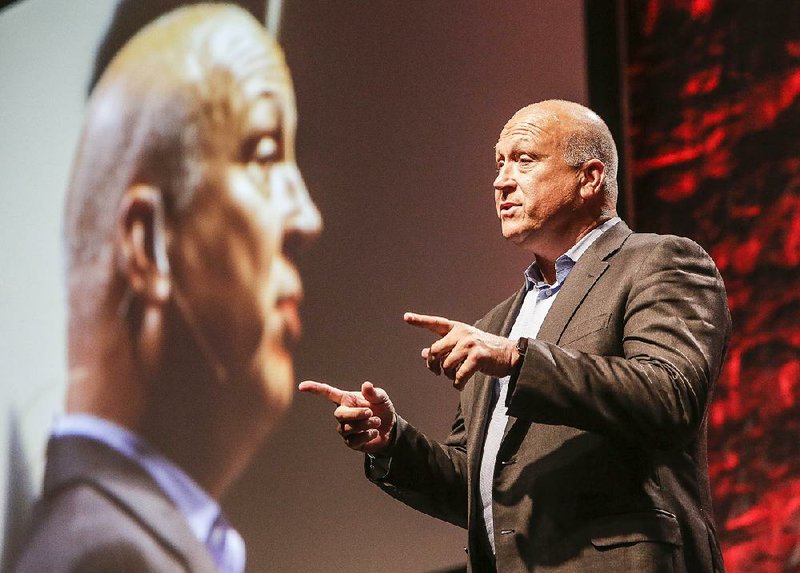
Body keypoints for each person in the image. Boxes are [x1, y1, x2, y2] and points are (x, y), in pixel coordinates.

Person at [301, 100, 730, 572]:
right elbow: (483, 486)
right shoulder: (497, 324)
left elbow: (672, 396)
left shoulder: (659, 262)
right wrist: (391, 443)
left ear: (589, 179)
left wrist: (517, 359)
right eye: (499, 163)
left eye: (524, 160)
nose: (501, 180)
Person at [14, 4, 321, 573]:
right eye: (263, 153)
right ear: (146, 242)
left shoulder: (129, 540)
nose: (306, 217)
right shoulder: (103, 556)